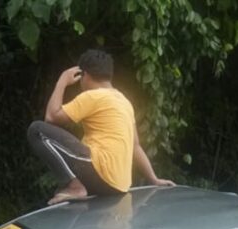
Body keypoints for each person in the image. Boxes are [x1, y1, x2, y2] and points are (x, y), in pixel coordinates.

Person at [27, 49, 174, 205]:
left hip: (100, 173)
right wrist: (153, 178)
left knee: (37, 130)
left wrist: (62, 80)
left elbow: (51, 117)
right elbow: (135, 146)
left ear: (84, 75)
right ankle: (76, 185)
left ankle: (75, 186)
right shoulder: (125, 101)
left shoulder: (93, 96)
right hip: (119, 185)